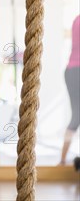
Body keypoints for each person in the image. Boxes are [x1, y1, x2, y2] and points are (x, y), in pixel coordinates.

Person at [60, 14, 80, 166]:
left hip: (72, 70)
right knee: (76, 116)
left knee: (76, 115)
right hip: (76, 70)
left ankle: (62, 160)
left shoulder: (76, 19)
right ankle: (62, 160)